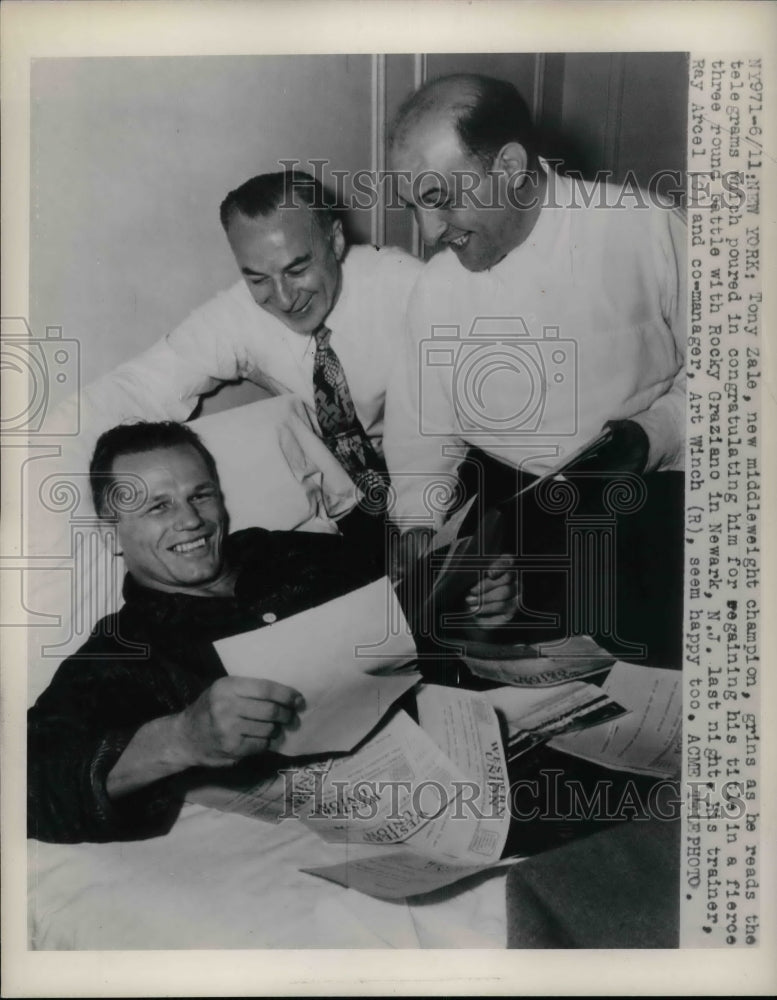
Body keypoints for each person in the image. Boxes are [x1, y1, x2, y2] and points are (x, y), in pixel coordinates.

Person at [28, 421, 515, 845]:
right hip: (343, 830)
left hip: (477, 758)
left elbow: (423, 632)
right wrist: (179, 738)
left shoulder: (295, 554)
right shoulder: (122, 652)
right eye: (158, 507)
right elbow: (25, 784)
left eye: (201, 495)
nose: (191, 520)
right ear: (110, 532)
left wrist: (477, 613)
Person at [383, 73, 686, 665]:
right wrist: (419, 528)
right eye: (413, 205)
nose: (428, 233)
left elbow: (740, 376)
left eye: (439, 198)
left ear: (510, 166)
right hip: (506, 527)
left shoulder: (643, 226)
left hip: (643, 502)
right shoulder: (437, 288)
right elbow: (422, 432)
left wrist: (656, 433)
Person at [61, 170, 423, 543]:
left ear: (335, 240)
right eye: (258, 279)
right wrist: (51, 446)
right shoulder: (237, 314)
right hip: (353, 500)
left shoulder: (407, 287)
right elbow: (142, 386)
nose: (283, 299)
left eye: (297, 269)